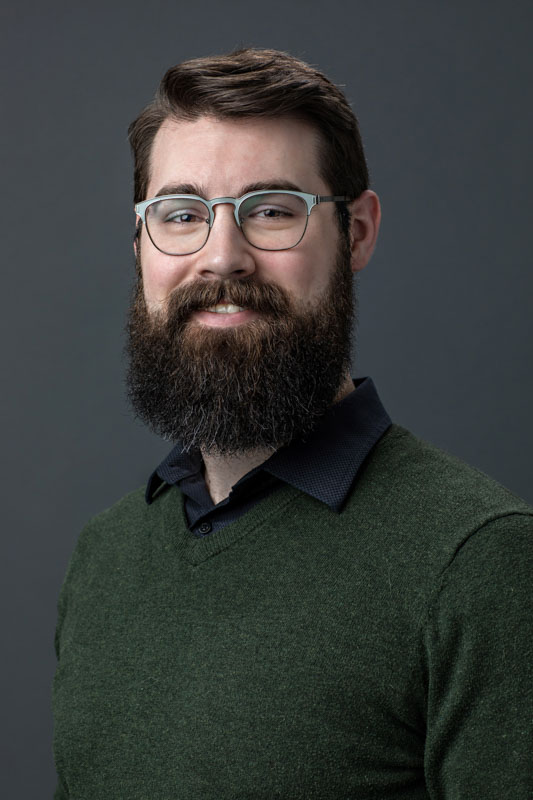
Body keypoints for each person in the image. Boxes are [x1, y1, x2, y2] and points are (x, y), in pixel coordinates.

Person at [52, 48, 533, 799]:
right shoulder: (105, 557)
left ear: (358, 233)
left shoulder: (480, 563)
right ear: (141, 244)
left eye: (271, 210)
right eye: (180, 215)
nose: (222, 258)